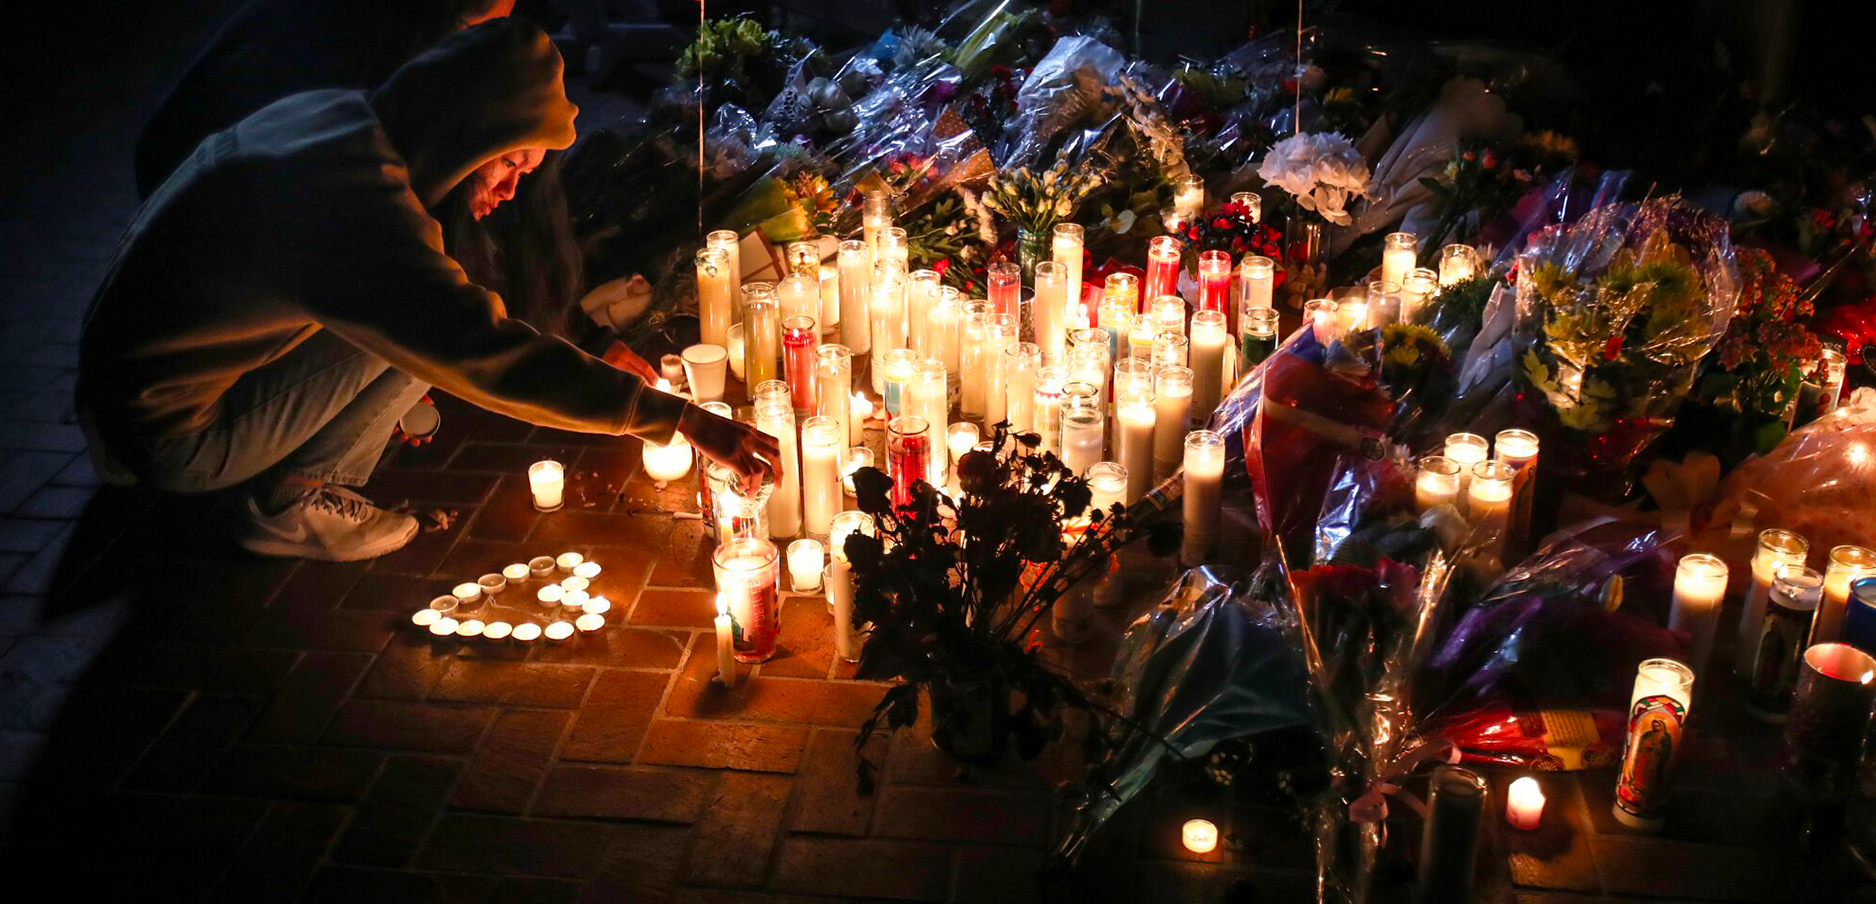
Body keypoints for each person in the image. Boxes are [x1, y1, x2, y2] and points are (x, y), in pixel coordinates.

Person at [79, 19, 777, 562]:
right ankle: (294, 504)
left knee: (420, 315)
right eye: (511, 164)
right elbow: (484, 355)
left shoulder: (341, 120)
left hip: (127, 389)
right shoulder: (357, 209)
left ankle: (302, 457)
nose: (511, 190)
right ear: (470, 131)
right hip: (170, 432)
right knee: (425, 331)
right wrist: (677, 419)